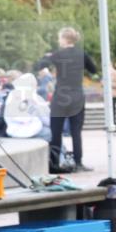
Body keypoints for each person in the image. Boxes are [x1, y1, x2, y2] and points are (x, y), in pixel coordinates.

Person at [36, 27, 97, 172]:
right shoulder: (82, 54)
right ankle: (78, 162)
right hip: (77, 96)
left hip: (61, 97)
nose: (58, 41)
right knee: (76, 131)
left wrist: (47, 56)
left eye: (59, 38)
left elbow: (39, 65)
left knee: (56, 131)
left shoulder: (57, 54)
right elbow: (93, 69)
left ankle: (55, 163)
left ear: (64, 39)